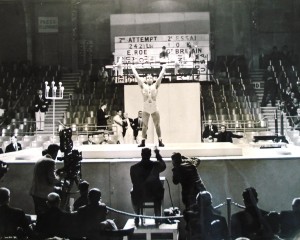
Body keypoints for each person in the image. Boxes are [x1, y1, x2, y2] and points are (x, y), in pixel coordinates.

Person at [131, 64, 167, 147]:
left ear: (153, 79)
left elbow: (161, 75)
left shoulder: (156, 85)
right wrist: (133, 67)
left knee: (157, 125)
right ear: (146, 80)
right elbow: (136, 76)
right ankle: (143, 141)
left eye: (151, 77)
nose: (149, 79)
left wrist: (164, 67)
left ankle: (160, 141)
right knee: (144, 125)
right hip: (146, 108)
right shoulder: (143, 86)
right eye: (147, 78)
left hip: (154, 108)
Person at [130, 147, 166, 226]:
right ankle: (157, 216)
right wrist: (157, 154)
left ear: (141, 154)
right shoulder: (156, 165)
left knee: (132, 191)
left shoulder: (133, 168)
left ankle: (136, 215)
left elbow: (134, 182)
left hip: (140, 195)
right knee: (160, 190)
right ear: (150, 155)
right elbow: (163, 165)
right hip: (154, 195)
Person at [30, 144, 62, 215]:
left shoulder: (41, 159)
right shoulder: (50, 161)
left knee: (39, 215)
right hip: (43, 194)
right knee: (47, 215)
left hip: (36, 192)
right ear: (55, 152)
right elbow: (52, 180)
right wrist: (61, 177)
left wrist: (56, 172)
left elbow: (44, 175)